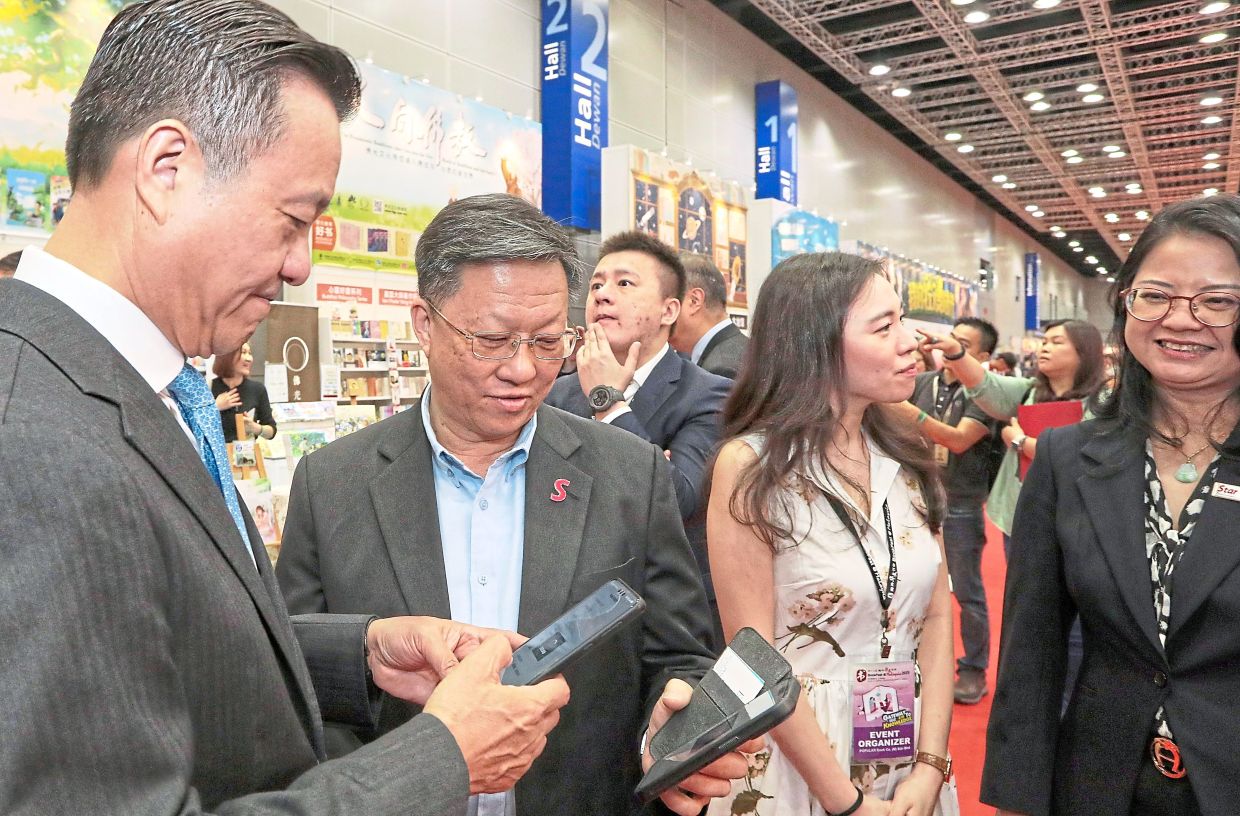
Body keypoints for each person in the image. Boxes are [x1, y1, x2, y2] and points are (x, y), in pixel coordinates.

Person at [0, 2, 570, 813]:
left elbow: (158, 637)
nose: (302, 265)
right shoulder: (35, 439)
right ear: (167, 168)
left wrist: (360, 653)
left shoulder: (122, 386)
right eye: (294, 219)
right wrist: (441, 757)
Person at [276, 194, 757, 816]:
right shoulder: (333, 483)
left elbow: (678, 653)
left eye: (549, 340)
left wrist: (670, 725)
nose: (524, 369)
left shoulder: (627, 473)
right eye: (493, 340)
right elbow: (298, 677)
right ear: (424, 324)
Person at [982, 194, 1240, 816]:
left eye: (1218, 300)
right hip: (1099, 783)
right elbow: (1032, 651)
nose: (1182, 319)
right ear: (1125, 304)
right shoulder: (1069, 458)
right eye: (1156, 295)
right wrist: (1019, 797)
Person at [706, 252, 959, 816]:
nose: (910, 339)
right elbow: (753, 656)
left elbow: (937, 615)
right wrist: (844, 802)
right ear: (815, 343)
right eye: (884, 325)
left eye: (903, 319)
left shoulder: (908, 457)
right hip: (794, 765)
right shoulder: (751, 468)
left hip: (906, 758)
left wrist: (930, 767)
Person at [546, 231, 732, 647]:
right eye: (596, 285)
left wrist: (610, 405)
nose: (603, 296)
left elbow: (679, 500)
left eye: (624, 283)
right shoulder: (557, 393)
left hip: (665, 619)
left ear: (670, 310)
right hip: (570, 612)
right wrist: (652, 455)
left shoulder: (707, 394)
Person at [920, 319, 1106, 558]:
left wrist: (1021, 442)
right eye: (1044, 342)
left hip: (1074, 514)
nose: (1045, 348)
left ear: (1085, 351)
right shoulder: (1029, 390)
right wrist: (956, 352)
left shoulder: (1103, 402)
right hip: (1022, 512)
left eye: (1057, 342)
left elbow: (1080, 454)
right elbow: (984, 385)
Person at [893, 317, 999, 705]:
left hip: (962, 502)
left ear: (983, 356)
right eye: (950, 338)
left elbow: (958, 441)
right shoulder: (922, 383)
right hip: (914, 496)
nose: (950, 346)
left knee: (966, 592)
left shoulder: (985, 396)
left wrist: (905, 412)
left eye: (963, 343)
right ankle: (910, 664)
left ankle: (972, 669)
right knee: (906, 585)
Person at [670, 252, 749, 378]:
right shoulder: (740, 350)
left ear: (694, 301)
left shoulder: (722, 370)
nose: (663, 315)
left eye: (669, 305)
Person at [213, 341, 277, 442]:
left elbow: (272, 431)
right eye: (243, 352)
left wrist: (256, 428)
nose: (249, 359)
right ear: (227, 356)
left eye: (250, 353)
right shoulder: (208, 388)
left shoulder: (257, 389)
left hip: (247, 456)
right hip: (215, 456)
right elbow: (194, 426)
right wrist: (215, 407)